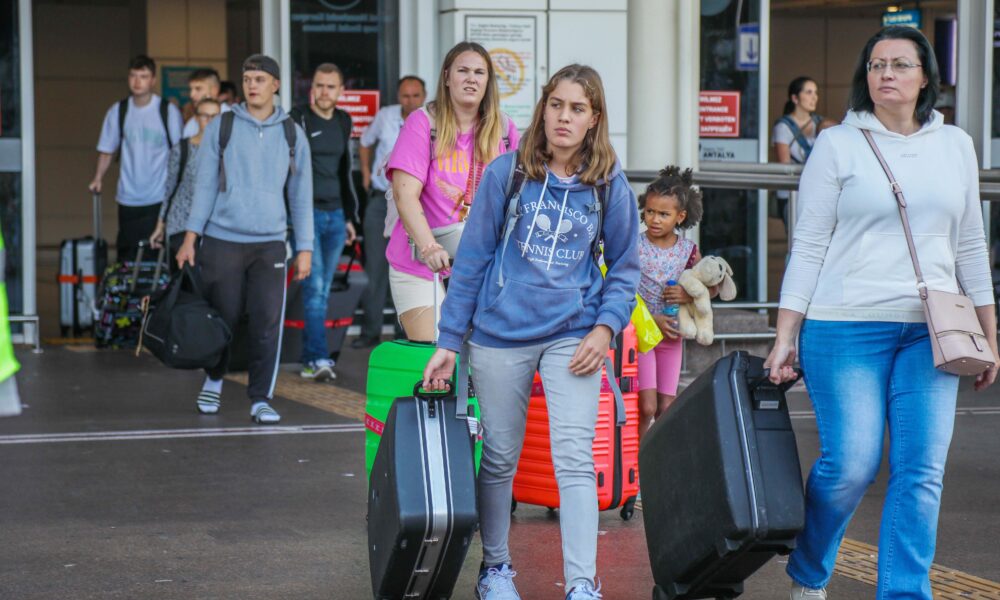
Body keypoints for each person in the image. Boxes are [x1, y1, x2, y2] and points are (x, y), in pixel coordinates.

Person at [764, 26, 998, 600]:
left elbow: (970, 244)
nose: (885, 74)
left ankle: (904, 593)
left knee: (922, 470)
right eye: (876, 65)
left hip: (932, 331)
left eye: (899, 64)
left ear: (925, 77)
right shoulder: (838, 144)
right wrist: (785, 333)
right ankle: (810, 571)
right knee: (851, 464)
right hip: (843, 325)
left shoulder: (956, 145)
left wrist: (989, 334)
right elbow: (809, 243)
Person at [423, 64, 640, 600]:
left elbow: (625, 267)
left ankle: (582, 584)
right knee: (499, 456)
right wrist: (448, 342)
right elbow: (472, 262)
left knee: (575, 458)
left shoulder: (608, 183)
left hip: (574, 333)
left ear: (594, 119)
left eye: (577, 108)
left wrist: (606, 329)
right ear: (543, 109)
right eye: (556, 105)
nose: (564, 117)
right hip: (499, 333)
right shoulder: (507, 173)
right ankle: (495, 569)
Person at [177, 54, 314, 425]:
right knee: (222, 317)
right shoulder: (222, 126)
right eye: (248, 78)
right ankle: (214, 379)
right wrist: (191, 237)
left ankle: (260, 398)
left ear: (276, 85)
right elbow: (204, 185)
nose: (253, 85)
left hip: (270, 243)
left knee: (267, 323)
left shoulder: (292, 133)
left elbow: (301, 195)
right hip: (222, 239)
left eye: (260, 79)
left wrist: (305, 247)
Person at [385, 42, 520, 342]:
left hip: (481, 265)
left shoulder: (503, 129)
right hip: (422, 262)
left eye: (479, 72)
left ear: (488, 81)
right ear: (447, 77)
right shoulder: (423, 123)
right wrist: (429, 248)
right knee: (435, 350)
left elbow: (521, 194)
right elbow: (405, 194)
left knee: (482, 354)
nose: (471, 79)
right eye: (463, 71)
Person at [289, 63, 359, 381]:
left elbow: (345, 171)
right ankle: (317, 358)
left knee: (324, 289)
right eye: (319, 85)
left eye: (331, 86)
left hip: (336, 216)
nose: (324, 92)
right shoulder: (298, 118)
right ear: (311, 87)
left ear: (341, 91)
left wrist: (349, 217)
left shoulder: (344, 120)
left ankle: (312, 356)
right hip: (307, 216)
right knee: (315, 288)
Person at [353, 75, 427, 349]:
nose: (411, 101)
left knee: (408, 268)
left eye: (416, 95)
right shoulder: (385, 116)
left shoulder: (430, 120)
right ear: (398, 96)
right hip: (380, 200)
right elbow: (364, 142)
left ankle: (404, 334)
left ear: (424, 96)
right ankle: (370, 332)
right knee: (375, 268)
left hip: (414, 204)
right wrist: (365, 173)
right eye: (405, 95)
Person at [89, 54, 183, 259]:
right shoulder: (119, 111)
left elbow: (179, 153)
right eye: (133, 76)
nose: (137, 81)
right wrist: (98, 177)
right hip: (128, 195)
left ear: (153, 80)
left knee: (155, 254)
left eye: (144, 76)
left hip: (159, 195)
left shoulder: (167, 111)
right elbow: (107, 149)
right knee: (128, 253)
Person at [635, 167, 704, 444]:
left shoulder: (688, 251)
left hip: (671, 337)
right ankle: (635, 462)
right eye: (650, 211)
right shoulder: (633, 245)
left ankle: (657, 461)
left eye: (664, 214)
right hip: (642, 335)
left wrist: (688, 296)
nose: (655, 219)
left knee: (666, 407)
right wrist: (651, 319)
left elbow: (709, 287)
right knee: (646, 406)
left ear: (680, 216)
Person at [149, 98, 222, 256]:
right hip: (181, 223)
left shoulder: (226, 150)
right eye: (205, 115)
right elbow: (170, 189)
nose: (210, 121)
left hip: (214, 226)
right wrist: (160, 225)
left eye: (215, 116)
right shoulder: (182, 148)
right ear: (196, 117)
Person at [181, 68, 229, 139]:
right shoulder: (192, 123)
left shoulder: (232, 118)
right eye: (191, 89)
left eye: (198, 89)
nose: (192, 94)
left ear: (214, 90)